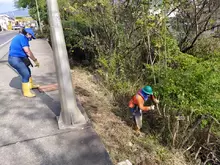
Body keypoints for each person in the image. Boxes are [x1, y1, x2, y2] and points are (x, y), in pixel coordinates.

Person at [8, 28, 40, 98]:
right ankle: (26, 92)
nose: (31, 38)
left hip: (18, 58)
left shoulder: (19, 37)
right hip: (15, 59)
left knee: (28, 70)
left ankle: (31, 85)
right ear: (28, 34)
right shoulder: (23, 38)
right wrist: (35, 60)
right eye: (31, 36)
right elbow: (27, 51)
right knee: (25, 74)